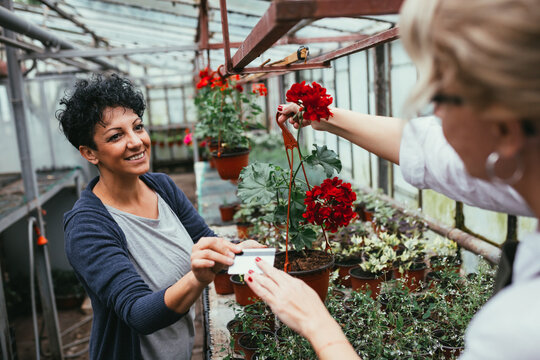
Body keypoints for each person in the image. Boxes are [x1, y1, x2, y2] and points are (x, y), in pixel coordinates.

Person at [246, 0, 540, 359]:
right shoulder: (520, 157)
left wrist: (316, 323)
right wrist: (318, 112)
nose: (436, 115)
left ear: (505, 128)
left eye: (441, 95)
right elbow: (427, 147)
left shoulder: (518, 331)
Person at [57, 74, 261, 360]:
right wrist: (197, 278)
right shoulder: (87, 227)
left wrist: (240, 251)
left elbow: (207, 241)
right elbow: (139, 314)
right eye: (116, 136)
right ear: (90, 153)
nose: (136, 142)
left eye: (138, 127)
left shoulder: (161, 187)